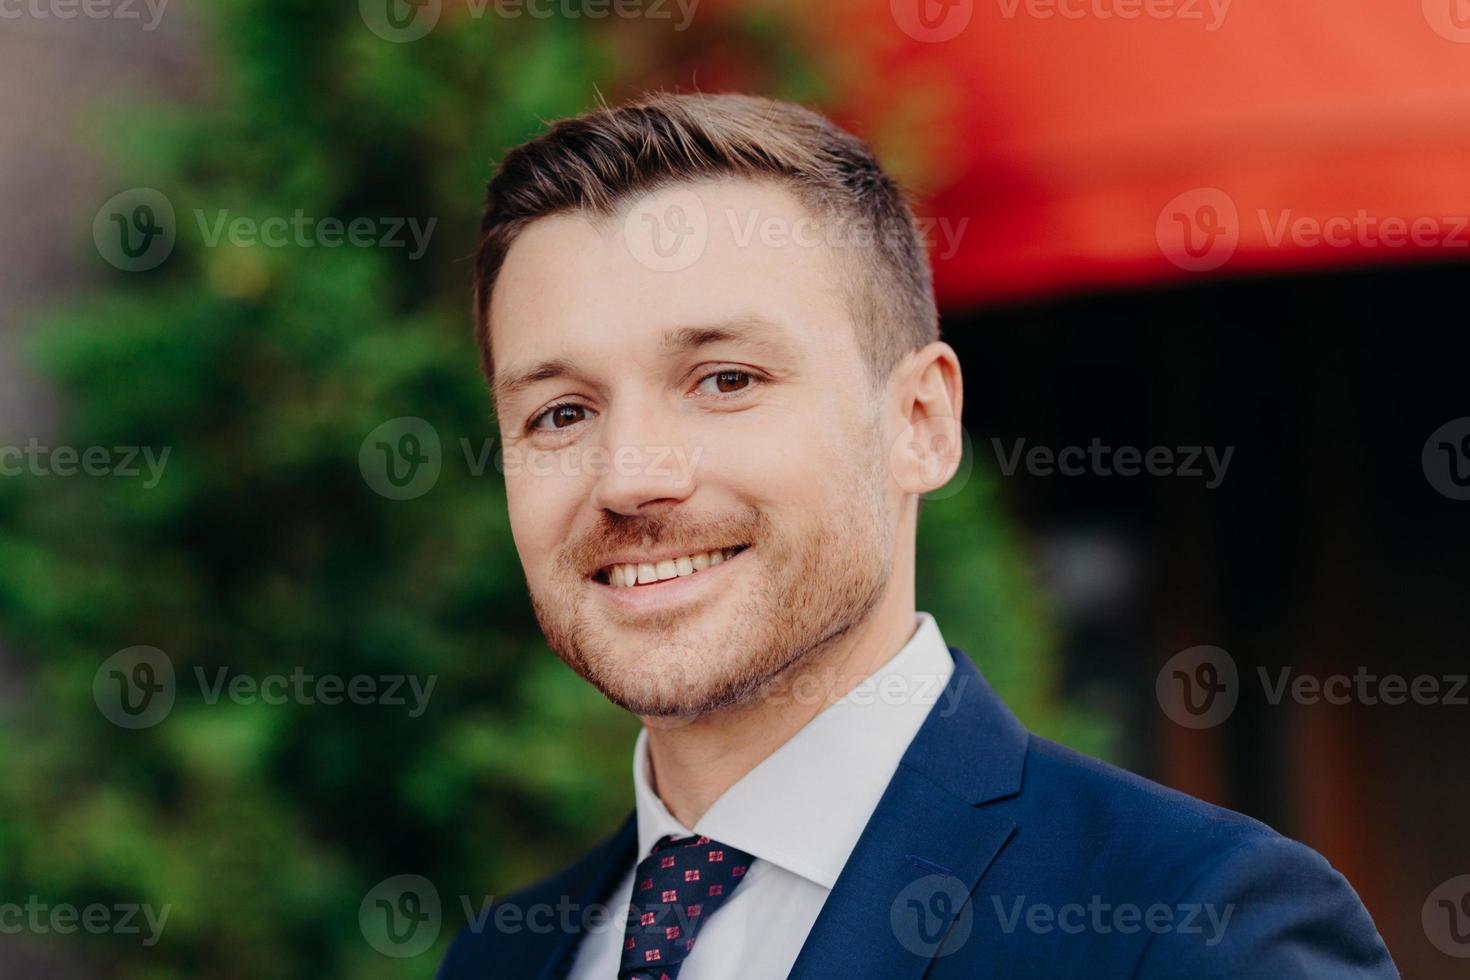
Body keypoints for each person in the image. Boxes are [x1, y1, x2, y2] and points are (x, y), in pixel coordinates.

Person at [436, 92, 1398, 979]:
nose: (632, 474)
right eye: (561, 413)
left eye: (725, 380)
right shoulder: (501, 959)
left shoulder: (1201, 926)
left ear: (922, 422)